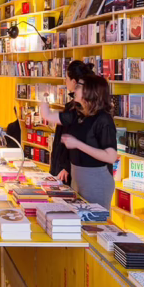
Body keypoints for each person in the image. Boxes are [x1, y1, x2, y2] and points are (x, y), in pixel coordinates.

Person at [40, 74, 117, 209]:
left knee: (95, 219)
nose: (74, 89)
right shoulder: (78, 114)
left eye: (78, 87)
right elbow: (48, 116)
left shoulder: (104, 119)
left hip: (96, 181)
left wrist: (77, 144)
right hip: (77, 178)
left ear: (90, 90)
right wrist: (43, 98)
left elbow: (111, 156)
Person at [48, 61, 94, 185]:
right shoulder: (72, 107)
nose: (65, 81)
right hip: (62, 166)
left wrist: (66, 166)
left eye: (67, 79)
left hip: (68, 171)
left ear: (74, 82)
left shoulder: (80, 110)